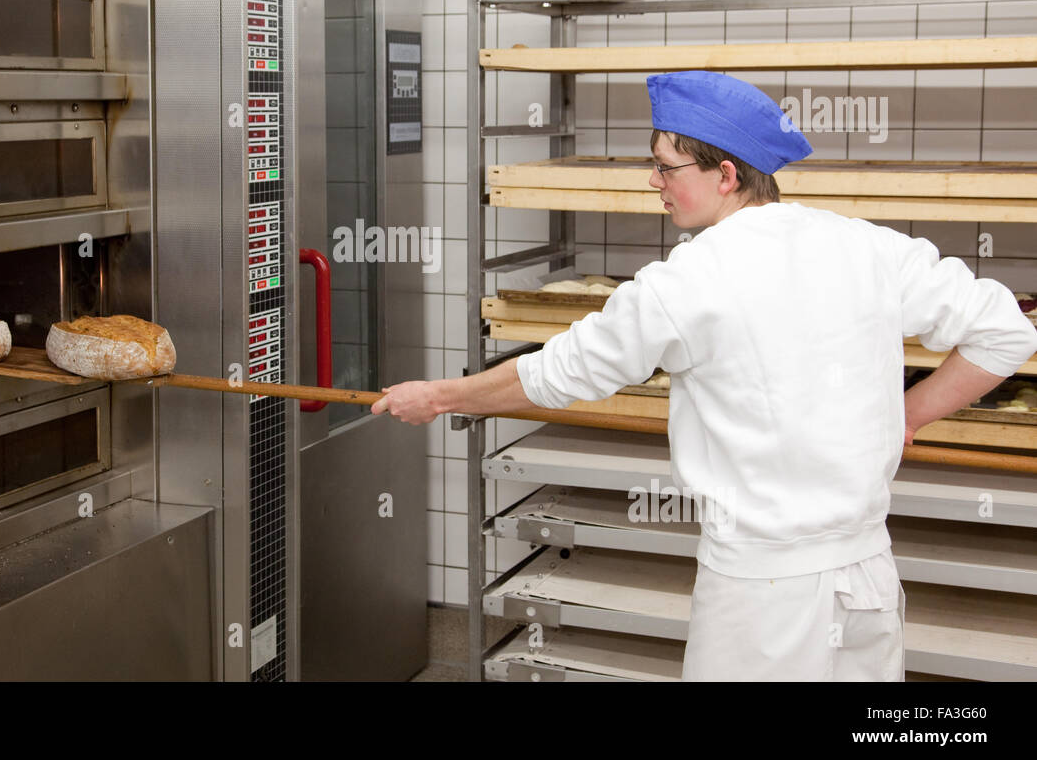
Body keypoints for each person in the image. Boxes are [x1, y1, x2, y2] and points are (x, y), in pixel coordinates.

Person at [370, 69, 1037, 681]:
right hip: (868, 582)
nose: (653, 182)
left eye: (665, 167)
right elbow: (1005, 331)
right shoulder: (867, 246)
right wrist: (909, 415)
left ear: (724, 173)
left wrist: (440, 396)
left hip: (764, 598)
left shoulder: (688, 282)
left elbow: (556, 374)